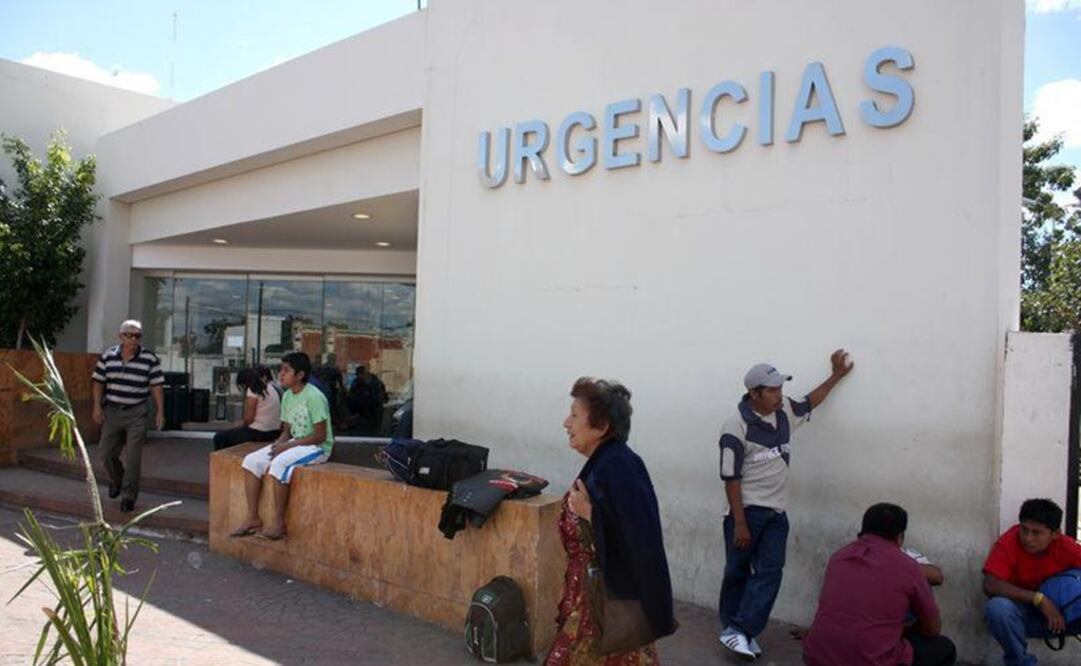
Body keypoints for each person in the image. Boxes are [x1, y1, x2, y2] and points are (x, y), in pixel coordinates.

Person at [717, 349, 853, 660]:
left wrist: (836, 375)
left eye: (780, 388)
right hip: (746, 512)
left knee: (770, 571)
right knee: (737, 571)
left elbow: (811, 401)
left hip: (776, 512)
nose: (779, 394)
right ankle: (734, 630)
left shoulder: (785, 412)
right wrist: (739, 522)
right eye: (772, 390)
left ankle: (741, 629)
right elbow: (730, 477)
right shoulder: (735, 426)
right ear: (754, 393)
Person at [545, 378, 677, 665]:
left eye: (575, 415)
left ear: (602, 426)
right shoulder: (605, 462)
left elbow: (641, 537)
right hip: (591, 598)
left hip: (608, 603)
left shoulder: (621, 466)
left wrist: (591, 515)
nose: (566, 423)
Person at [802, 503, 957, 666]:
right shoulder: (908, 566)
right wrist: (903, 630)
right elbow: (932, 629)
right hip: (870, 659)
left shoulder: (838, 557)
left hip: (817, 656)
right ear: (899, 537)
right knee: (944, 648)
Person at [229, 352, 334, 540]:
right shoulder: (287, 396)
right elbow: (287, 431)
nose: (281, 374)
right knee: (251, 461)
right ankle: (252, 518)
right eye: (281, 370)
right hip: (296, 442)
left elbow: (320, 435)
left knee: (279, 464)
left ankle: (279, 524)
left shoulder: (314, 396)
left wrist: (285, 448)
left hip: (317, 447)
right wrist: (278, 445)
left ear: (300, 375)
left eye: (286, 370)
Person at [983, 498, 1081, 666]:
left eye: (1037, 533)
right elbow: (990, 584)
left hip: (1062, 617)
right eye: (1024, 530)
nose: (1028, 538)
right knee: (997, 608)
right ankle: (1021, 662)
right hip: (1023, 615)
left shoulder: (1065, 545)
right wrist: (1039, 599)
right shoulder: (1009, 542)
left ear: (1055, 534)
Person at [91, 319, 165, 513]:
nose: (133, 339)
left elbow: (156, 386)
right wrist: (97, 407)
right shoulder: (108, 356)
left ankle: (128, 496)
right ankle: (117, 480)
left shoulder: (149, 358)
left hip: (137, 412)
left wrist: (160, 412)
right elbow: (98, 382)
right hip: (112, 411)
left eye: (137, 336)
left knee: (133, 458)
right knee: (106, 454)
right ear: (121, 336)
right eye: (129, 335)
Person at [211, 367, 282, 451]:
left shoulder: (252, 390)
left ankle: (221, 458)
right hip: (275, 432)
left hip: (259, 432)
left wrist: (240, 424)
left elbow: (249, 419)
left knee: (220, 437)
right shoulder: (271, 387)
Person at [346, 364, 388, 434]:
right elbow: (352, 396)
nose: (360, 377)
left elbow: (380, 397)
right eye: (358, 375)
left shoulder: (376, 383)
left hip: (373, 411)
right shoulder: (357, 382)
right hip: (360, 412)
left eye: (361, 374)